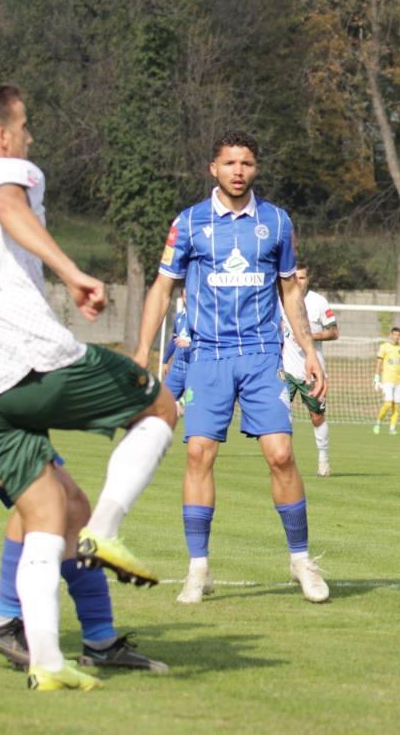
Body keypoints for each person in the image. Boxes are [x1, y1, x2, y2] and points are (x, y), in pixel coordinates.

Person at [0, 85, 178, 692]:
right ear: (2, 136)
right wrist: (74, 272)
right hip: (30, 361)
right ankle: (107, 527)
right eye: (25, 125)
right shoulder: (8, 171)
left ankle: (50, 664)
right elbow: (5, 205)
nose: (29, 135)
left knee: (45, 516)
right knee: (159, 403)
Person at [132, 131, 329, 608]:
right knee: (199, 454)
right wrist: (141, 353)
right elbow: (162, 289)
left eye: (246, 163)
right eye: (229, 163)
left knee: (281, 454)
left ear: (255, 169)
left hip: (262, 355)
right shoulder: (190, 223)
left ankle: (302, 560)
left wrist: (308, 350)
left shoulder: (277, 222)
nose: (238, 170)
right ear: (213, 169)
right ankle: (198, 569)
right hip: (207, 355)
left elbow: (289, 292)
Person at [281, 263, 337, 475]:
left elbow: (334, 332)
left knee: (316, 416)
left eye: (302, 278)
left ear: (308, 280)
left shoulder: (318, 302)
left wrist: (309, 336)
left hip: (312, 372)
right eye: (294, 278)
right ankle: (284, 463)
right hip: (285, 370)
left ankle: (323, 460)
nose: (298, 282)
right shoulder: (280, 299)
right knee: (279, 416)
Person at [372, 327, 400, 435]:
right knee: (388, 403)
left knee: (396, 406)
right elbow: (379, 362)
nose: (396, 337)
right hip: (387, 379)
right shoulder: (384, 347)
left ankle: (392, 428)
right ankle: (378, 423)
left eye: (398, 335)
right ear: (391, 334)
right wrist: (376, 377)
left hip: (399, 380)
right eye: (395, 335)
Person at [162, 294, 192, 408]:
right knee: (164, 403)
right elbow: (174, 340)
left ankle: (183, 404)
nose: (187, 299)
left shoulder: (201, 319)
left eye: (189, 296)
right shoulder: (179, 317)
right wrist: (165, 361)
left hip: (194, 368)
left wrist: (189, 344)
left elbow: (206, 344)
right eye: (185, 296)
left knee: (192, 407)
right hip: (177, 368)